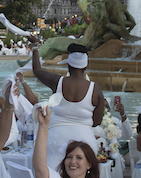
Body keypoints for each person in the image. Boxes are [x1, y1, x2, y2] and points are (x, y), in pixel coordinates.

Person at [28, 37, 104, 169]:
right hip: (84, 142)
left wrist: (35, 46)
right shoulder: (95, 89)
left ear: (68, 65)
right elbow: (97, 121)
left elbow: (37, 70)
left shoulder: (58, 82)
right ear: (85, 66)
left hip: (56, 139)